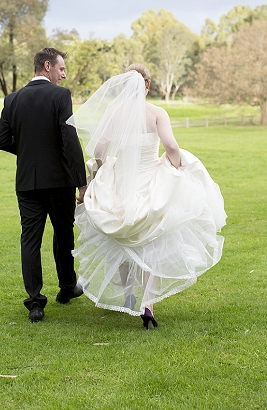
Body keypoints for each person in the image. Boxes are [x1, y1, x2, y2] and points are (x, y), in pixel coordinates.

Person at [67, 64, 225, 329]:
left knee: (120, 239)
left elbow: (99, 148)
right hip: (150, 179)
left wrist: (105, 165)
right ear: (148, 85)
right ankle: (147, 304)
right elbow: (171, 145)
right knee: (151, 242)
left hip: (121, 183)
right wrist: (175, 164)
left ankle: (128, 294)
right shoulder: (156, 112)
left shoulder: (114, 113)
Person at [0, 48, 88, 322]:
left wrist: (26, 151)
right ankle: (67, 287)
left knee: (30, 240)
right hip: (59, 181)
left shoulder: (12, 99)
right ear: (47, 66)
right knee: (63, 233)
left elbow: (0, 139)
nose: (64, 74)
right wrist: (81, 182)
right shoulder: (61, 96)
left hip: (26, 182)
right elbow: (69, 140)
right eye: (61, 69)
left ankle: (35, 303)